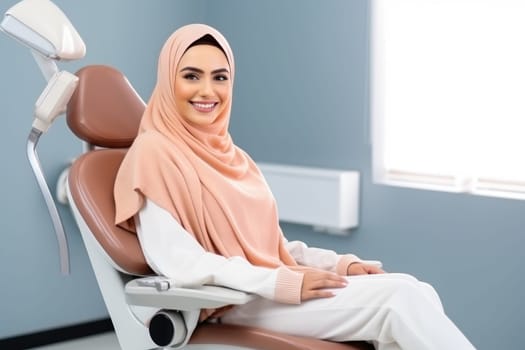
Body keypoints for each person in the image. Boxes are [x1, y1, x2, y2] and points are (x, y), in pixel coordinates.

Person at [113, 23, 475, 350]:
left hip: (267, 289)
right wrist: (278, 283)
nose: (208, 90)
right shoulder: (153, 153)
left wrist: (340, 264)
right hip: (232, 300)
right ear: (167, 80)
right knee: (399, 300)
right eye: (191, 76)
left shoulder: (232, 155)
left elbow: (273, 247)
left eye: (220, 77)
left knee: (416, 289)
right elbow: (180, 261)